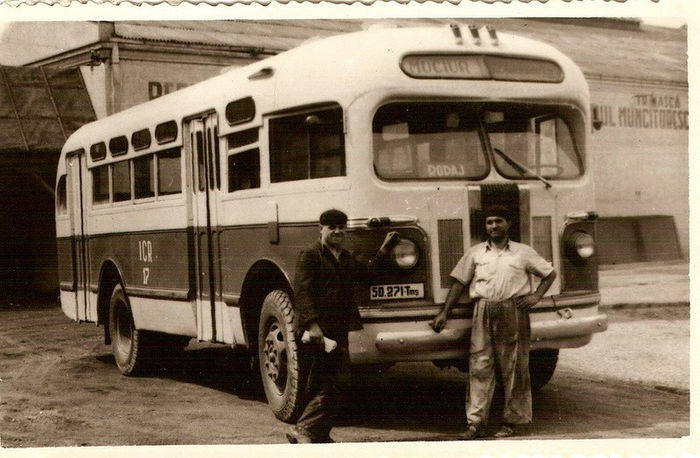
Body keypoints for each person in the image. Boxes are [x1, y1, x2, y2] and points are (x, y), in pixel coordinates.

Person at [429, 204, 556, 439]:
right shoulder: (476, 253)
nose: (494, 226)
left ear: (509, 224)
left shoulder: (522, 252)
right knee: (479, 366)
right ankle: (475, 423)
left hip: (513, 310)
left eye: (499, 221)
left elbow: (549, 274)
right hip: (483, 309)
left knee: (515, 366)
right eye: (489, 222)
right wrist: (444, 313)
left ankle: (513, 422)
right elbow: (459, 282)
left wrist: (536, 296)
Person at [286, 208, 399, 444]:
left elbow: (368, 275)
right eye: (332, 227)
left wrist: (385, 249)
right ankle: (305, 429)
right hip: (315, 332)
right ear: (321, 229)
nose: (338, 232)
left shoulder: (345, 258)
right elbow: (302, 292)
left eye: (341, 227)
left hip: (337, 330)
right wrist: (313, 325)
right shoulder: (310, 255)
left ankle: (316, 432)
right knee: (333, 381)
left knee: (331, 381)